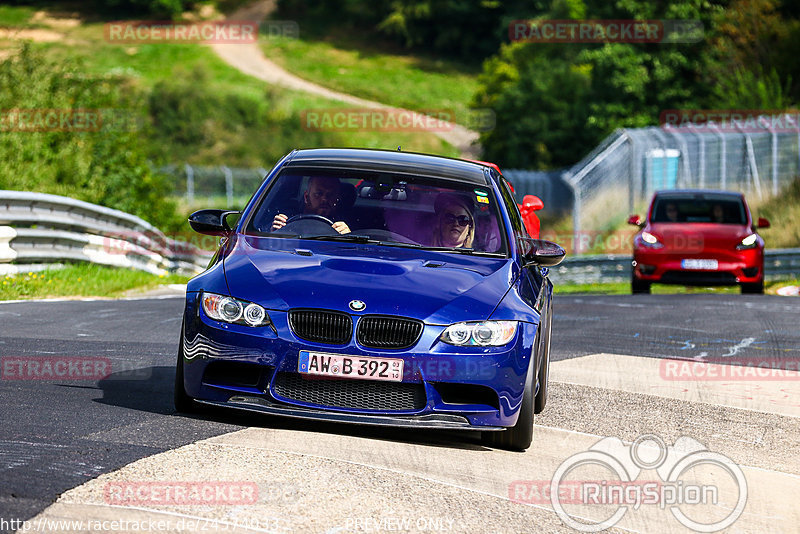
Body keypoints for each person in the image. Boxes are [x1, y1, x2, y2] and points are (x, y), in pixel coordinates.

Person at [271, 176, 351, 234]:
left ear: (337, 199)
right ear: (306, 197)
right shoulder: (288, 219)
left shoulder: (347, 223)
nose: (324, 199)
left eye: (330, 195)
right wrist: (275, 231)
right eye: (318, 194)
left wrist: (348, 237)